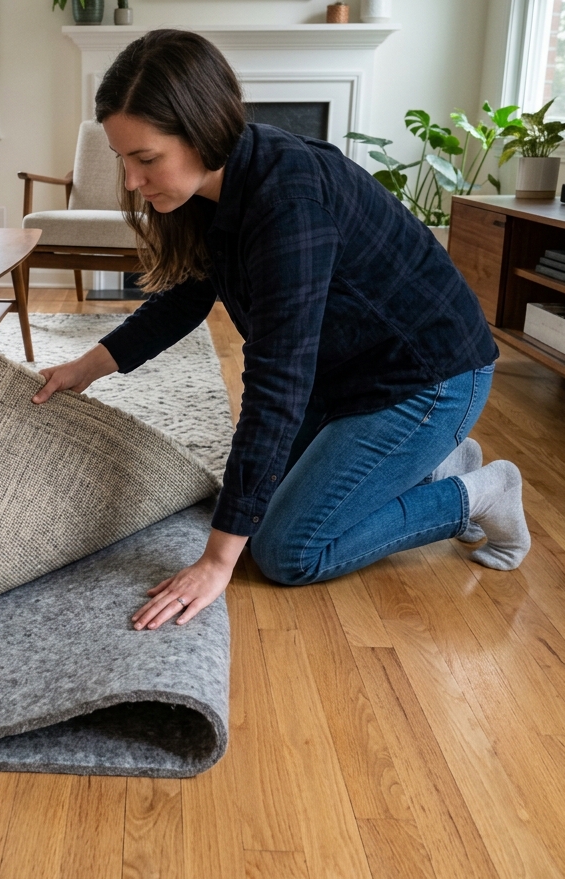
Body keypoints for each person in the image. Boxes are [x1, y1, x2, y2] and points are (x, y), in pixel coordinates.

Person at [30, 29, 530, 631]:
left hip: (427, 382)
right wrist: (83, 369)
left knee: (285, 550)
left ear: (202, 130)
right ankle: (438, 464)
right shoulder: (214, 189)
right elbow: (185, 298)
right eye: (123, 159)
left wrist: (215, 563)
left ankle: (480, 492)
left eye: (146, 159)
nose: (132, 182)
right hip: (350, 377)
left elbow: (276, 388)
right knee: (254, 506)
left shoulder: (287, 201)